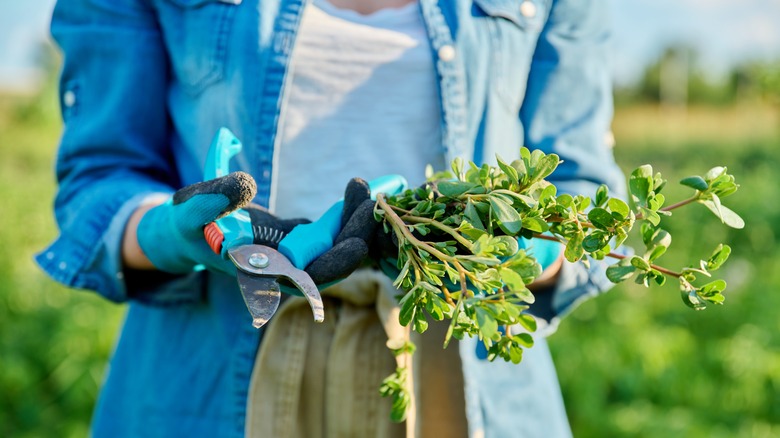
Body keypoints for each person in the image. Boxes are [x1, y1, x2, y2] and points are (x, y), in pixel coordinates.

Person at [37, 0, 626, 436]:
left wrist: (527, 249)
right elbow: (102, 174)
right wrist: (172, 233)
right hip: (203, 381)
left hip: (463, 383)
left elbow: (583, 194)